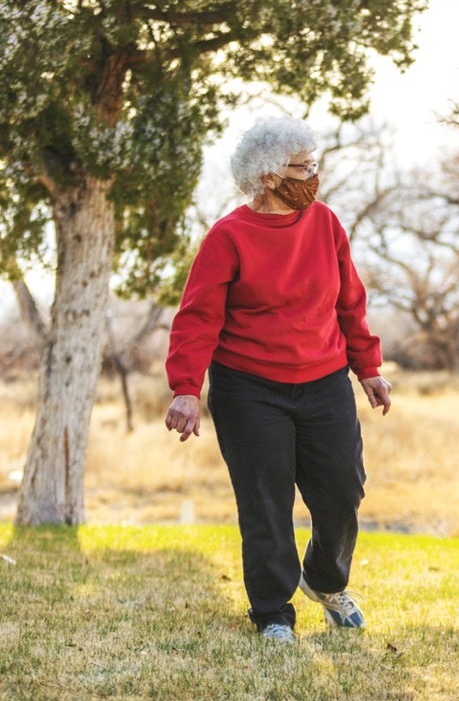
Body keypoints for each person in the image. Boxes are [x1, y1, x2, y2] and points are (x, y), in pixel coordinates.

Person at [164, 116, 393, 644]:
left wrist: (368, 368)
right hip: (250, 387)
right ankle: (272, 611)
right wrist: (185, 388)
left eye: (315, 164)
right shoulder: (228, 237)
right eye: (301, 167)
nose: (312, 175)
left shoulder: (326, 224)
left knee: (343, 488)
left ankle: (326, 580)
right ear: (267, 176)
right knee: (265, 501)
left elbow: (349, 303)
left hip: (324, 378)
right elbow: (198, 318)